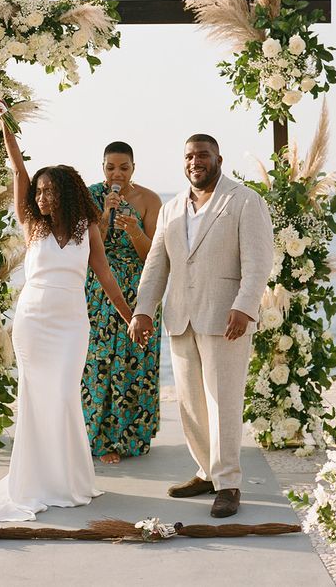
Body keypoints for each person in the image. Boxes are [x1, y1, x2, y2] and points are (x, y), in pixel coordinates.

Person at [0, 104, 133, 522]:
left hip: (71, 324)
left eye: (50, 191)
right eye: (39, 191)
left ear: (67, 193)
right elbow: (18, 170)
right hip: (32, 322)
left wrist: (130, 317)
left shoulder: (88, 229)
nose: (42, 197)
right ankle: (36, 481)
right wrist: (6, 125)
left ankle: (66, 480)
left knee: (64, 396)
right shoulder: (31, 225)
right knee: (35, 400)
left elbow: (105, 276)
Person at [129, 134, 273, 518]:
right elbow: (156, 265)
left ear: (218, 159)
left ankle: (228, 484)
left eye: (203, 155)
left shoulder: (244, 200)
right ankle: (206, 472)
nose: (196, 162)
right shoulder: (171, 208)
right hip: (181, 318)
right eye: (190, 156)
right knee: (191, 404)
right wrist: (143, 310)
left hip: (226, 319)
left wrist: (244, 307)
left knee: (223, 403)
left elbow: (259, 262)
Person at [82, 141, 162, 464]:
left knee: (134, 361)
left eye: (124, 168)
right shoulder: (89, 197)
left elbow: (154, 257)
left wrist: (134, 231)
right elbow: (87, 248)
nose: (117, 173)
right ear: (102, 167)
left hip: (138, 289)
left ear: (133, 168)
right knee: (99, 362)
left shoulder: (150, 200)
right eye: (110, 167)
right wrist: (104, 215)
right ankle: (99, 438)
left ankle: (130, 437)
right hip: (100, 290)